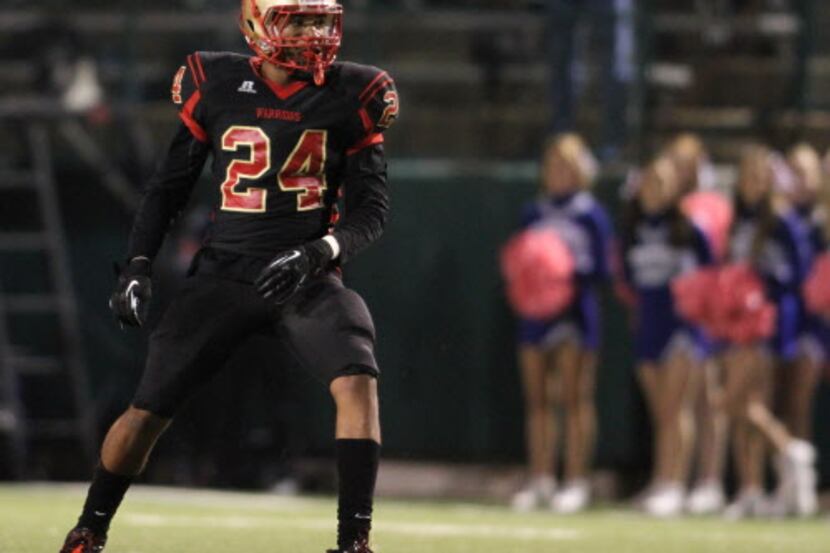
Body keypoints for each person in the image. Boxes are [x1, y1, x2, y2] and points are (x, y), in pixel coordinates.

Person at [58, 1, 398, 552]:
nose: (314, 33)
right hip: (224, 272)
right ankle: (88, 531)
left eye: (320, 20)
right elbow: (168, 189)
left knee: (358, 378)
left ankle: (354, 542)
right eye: (299, 20)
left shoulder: (353, 93)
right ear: (258, 23)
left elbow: (371, 212)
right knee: (147, 411)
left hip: (304, 277)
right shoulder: (214, 82)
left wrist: (319, 251)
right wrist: (138, 264)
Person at [510, 133, 613, 514]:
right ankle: (540, 478)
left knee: (575, 398)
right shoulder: (534, 212)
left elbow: (604, 268)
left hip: (576, 311)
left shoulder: (591, 214)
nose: (558, 173)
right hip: (536, 314)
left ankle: (576, 481)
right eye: (553, 165)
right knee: (537, 400)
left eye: (566, 166)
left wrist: (566, 271)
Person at [720, 145, 816, 519]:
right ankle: (752, 489)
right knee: (746, 407)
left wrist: (762, 288)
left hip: (766, 322)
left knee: (736, 402)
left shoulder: (783, 220)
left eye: (761, 176)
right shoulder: (738, 219)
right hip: (736, 323)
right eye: (747, 175)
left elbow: (800, 274)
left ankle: (791, 452)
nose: (752, 183)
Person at [619, 157, 713, 517]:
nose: (654, 188)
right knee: (661, 412)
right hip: (649, 327)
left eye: (662, 182)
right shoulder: (632, 228)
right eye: (649, 181)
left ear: (675, 187)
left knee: (677, 409)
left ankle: (675, 484)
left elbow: (709, 280)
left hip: (682, 329)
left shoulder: (690, 228)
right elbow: (629, 281)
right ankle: (662, 481)